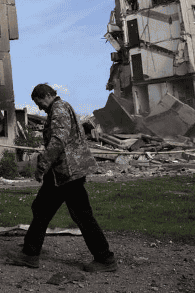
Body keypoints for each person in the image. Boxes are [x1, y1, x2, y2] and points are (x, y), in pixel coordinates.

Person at [6, 84, 117, 272]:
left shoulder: (59, 110)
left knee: (78, 215)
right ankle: (30, 252)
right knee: (42, 208)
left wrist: (42, 165)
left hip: (67, 173)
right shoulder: (61, 108)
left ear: (47, 96)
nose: (39, 107)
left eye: (39, 102)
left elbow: (58, 140)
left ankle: (105, 258)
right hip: (63, 172)